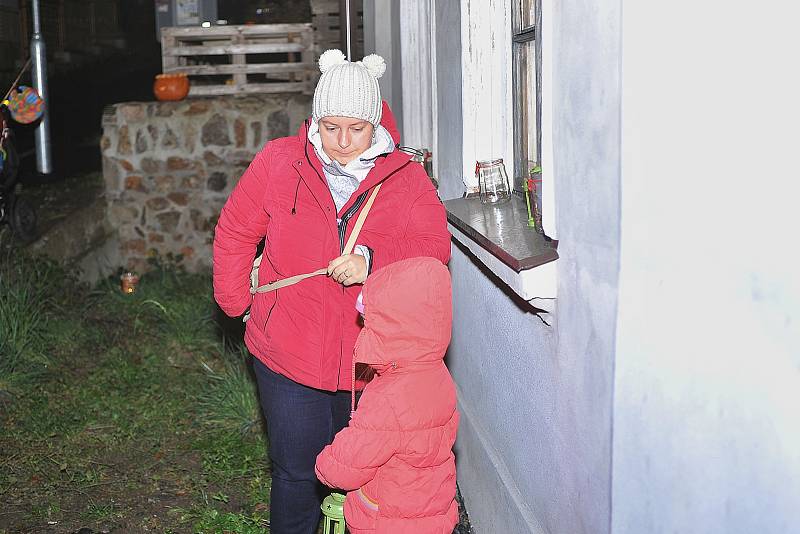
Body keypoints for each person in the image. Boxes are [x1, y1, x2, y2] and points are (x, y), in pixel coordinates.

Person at [212, 49, 451, 534]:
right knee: (296, 471)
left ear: (374, 122)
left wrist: (372, 259)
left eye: (356, 129)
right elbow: (237, 230)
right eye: (330, 127)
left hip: (368, 361)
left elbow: (433, 248)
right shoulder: (280, 162)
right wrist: (235, 301)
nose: (341, 142)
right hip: (287, 351)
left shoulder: (404, 178)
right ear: (314, 120)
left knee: (362, 477)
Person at [315, 257, 459, 534]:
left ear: (393, 324)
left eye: (370, 320)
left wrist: (325, 464)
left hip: (389, 520)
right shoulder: (436, 373)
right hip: (432, 511)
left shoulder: (388, 396)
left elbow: (348, 464)